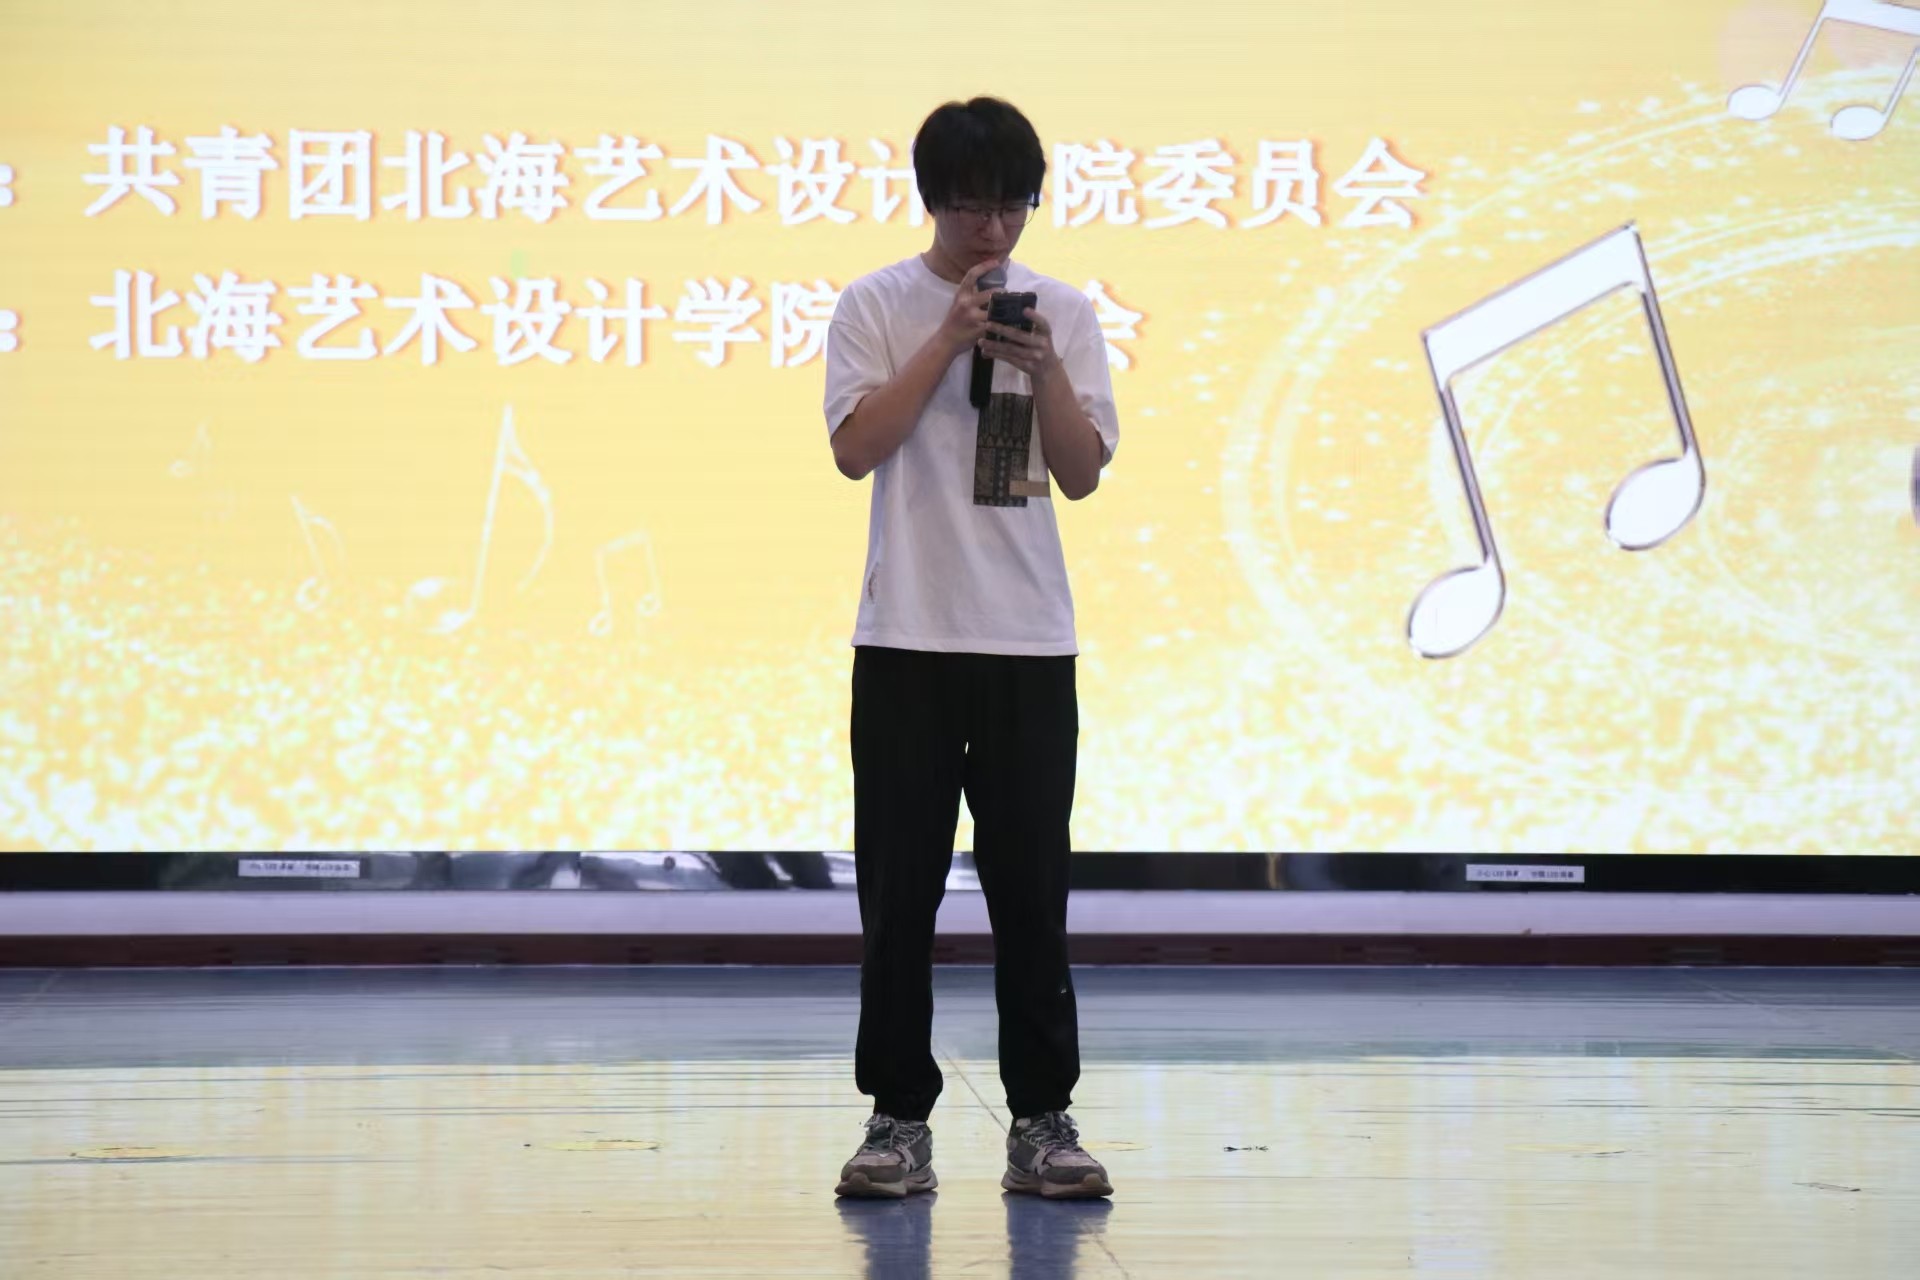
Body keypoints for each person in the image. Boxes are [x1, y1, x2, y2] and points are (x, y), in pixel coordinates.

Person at [821, 96, 1119, 1201]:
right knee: (898, 897)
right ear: (932, 202)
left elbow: (1081, 474)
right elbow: (856, 447)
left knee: (1031, 895)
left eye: (1012, 206)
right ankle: (897, 1119)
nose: (992, 230)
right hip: (906, 638)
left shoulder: (1065, 313)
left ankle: (1043, 1121)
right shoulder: (875, 304)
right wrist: (947, 339)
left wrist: (1044, 369)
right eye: (971, 207)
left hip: (1028, 643)